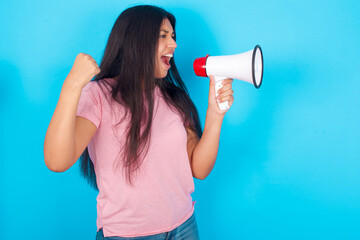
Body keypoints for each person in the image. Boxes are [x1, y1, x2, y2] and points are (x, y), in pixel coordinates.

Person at [44, 5, 234, 240]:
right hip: (127, 235)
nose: (173, 45)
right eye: (163, 36)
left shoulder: (175, 98)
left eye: (173, 36)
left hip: (184, 226)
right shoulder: (98, 95)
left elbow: (199, 169)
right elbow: (56, 161)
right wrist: (72, 86)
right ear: (136, 41)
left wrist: (215, 114)